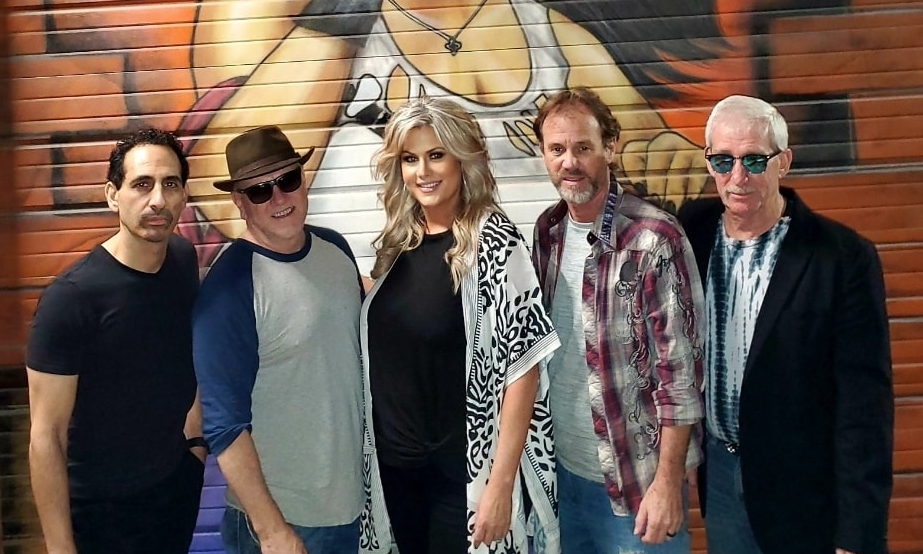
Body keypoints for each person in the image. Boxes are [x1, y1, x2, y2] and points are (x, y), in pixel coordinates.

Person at [181, 0, 717, 271]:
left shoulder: (546, 30)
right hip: (378, 323)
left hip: (522, 323)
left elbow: (644, 143)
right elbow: (218, 190)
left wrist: (667, 158)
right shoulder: (342, 31)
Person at [677, 95, 894, 554]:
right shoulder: (689, 232)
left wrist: (857, 535)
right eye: (723, 160)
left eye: (755, 160)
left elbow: (864, 408)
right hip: (720, 475)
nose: (737, 178)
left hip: (806, 494)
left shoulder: (842, 257)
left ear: (784, 163)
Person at [362, 97, 561, 553]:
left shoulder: (493, 240)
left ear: (462, 159)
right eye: (410, 159)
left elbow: (524, 369)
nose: (423, 172)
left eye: (436, 155)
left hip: (462, 477)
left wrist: (500, 484)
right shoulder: (397, 243)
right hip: (398, 472)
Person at [191, 125, 383, 554]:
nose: (279, 198)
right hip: (284, 526)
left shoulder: (336, 250)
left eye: (287, 180)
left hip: (353, 511)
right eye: (259, 190)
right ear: (240, 203)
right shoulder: (230, 287)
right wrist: (272, 530)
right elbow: (224, 425)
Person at [531, 87, 706, 553]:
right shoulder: (546, 233)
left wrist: (668, 484)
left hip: (637, 487)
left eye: (583, 147)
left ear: (610, 147)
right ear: (543, 154)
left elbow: (682, 376)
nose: (570, 162)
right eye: (557, 149)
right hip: (564, 478)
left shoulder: (654, 238)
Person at [26, 128, 204, 554]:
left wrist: (194, 451)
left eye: (170, 184)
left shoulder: (182, 259)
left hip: (170, 496)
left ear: (183, 195)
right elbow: (45, 435)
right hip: (99, 518)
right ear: (112, 195)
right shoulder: (72, 299)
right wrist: (60, 548)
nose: (157, 199)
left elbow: (185, 356)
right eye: (142, 185)